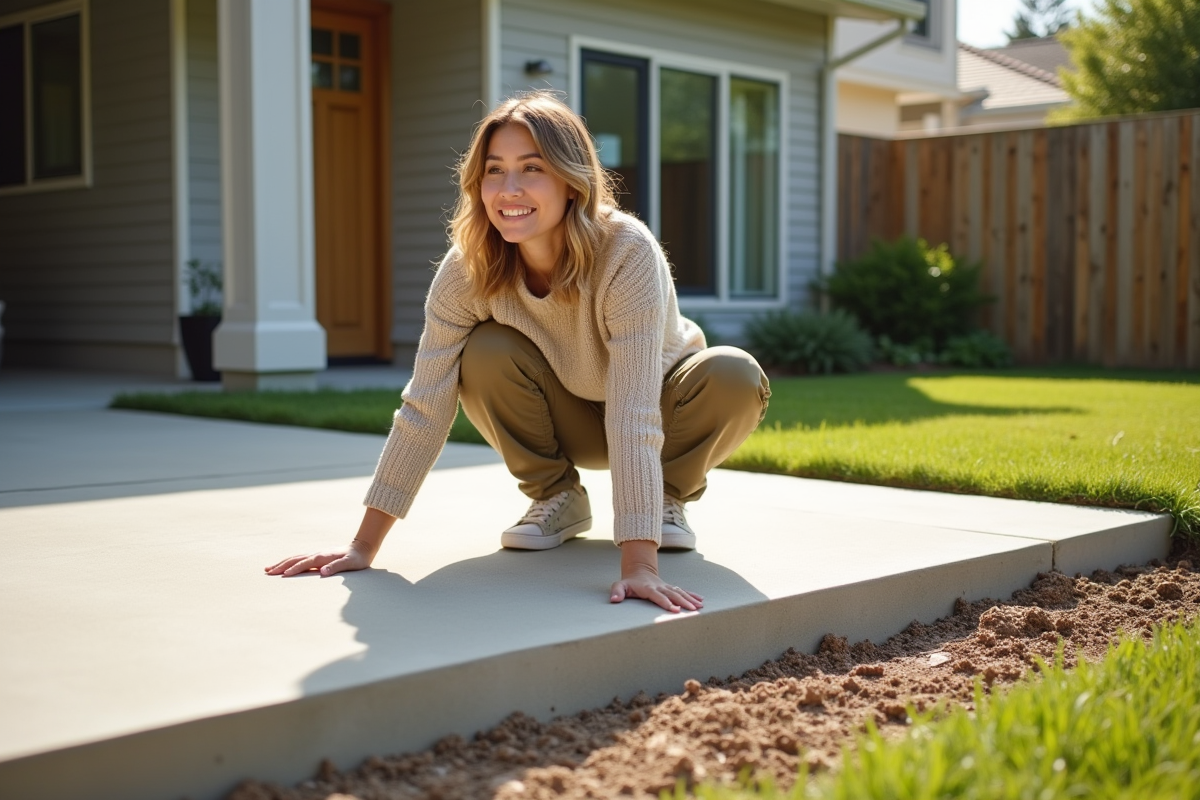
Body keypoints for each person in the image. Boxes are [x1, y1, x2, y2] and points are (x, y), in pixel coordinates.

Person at [266, 91, 770, 613]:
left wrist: (639, 565)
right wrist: (362, 546)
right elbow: (425, 403)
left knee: (734, 374)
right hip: (567, 414)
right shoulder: (468, 269)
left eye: (531, 168)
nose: (509, 189)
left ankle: (665, 498)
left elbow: (636, 413)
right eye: (494, 170)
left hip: (661, 410)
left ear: (571, 181)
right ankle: (557, 496)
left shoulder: (627, 252)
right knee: (483, 350)